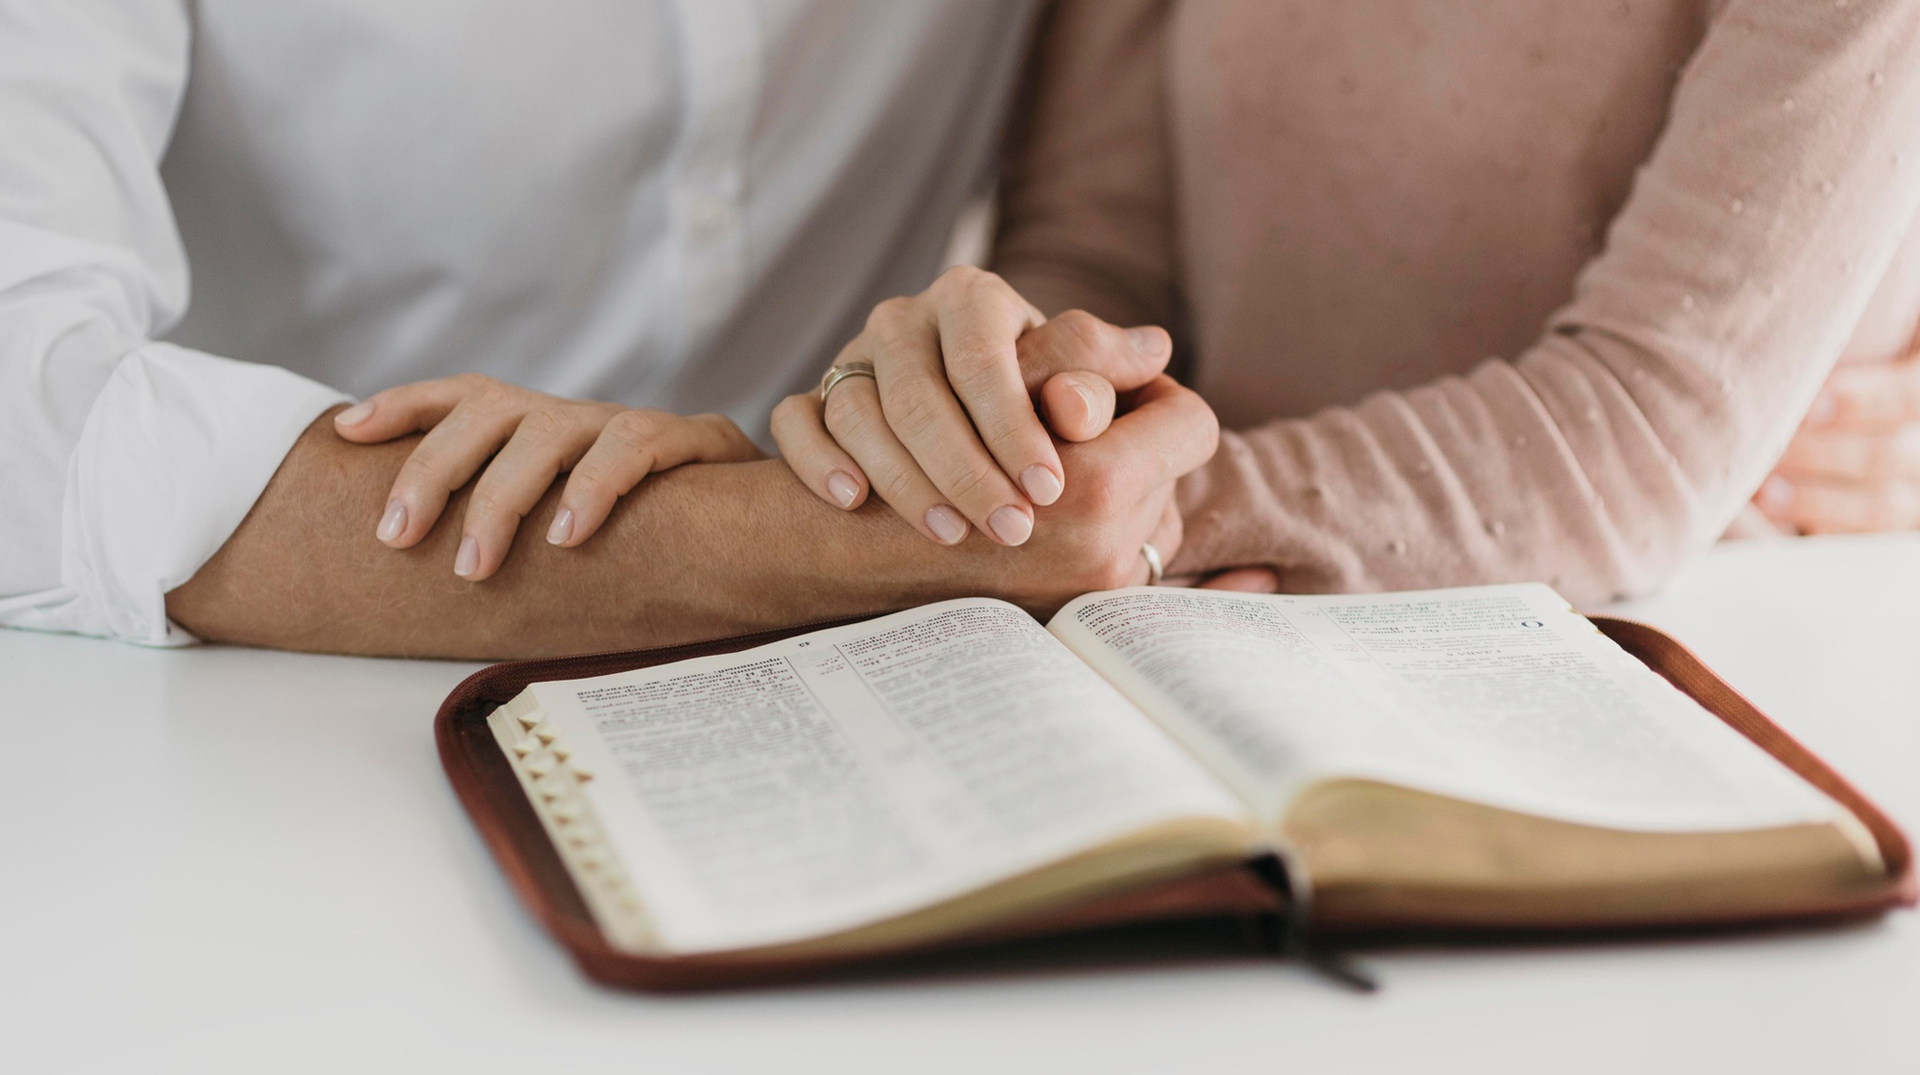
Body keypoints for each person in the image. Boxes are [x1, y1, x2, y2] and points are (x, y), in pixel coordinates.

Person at [0, 1, 1222, 660]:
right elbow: (23, 404)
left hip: (865, 678)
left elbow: (1084, 233)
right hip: (231, 697)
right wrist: (795, 541)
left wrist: (1009, 405)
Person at [768, 0, 1920, 602]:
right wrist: (1009, 393)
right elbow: (1093, 254)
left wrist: (1143, 510)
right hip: (1191, 620)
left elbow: (1633, 437)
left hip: (1663, 650)